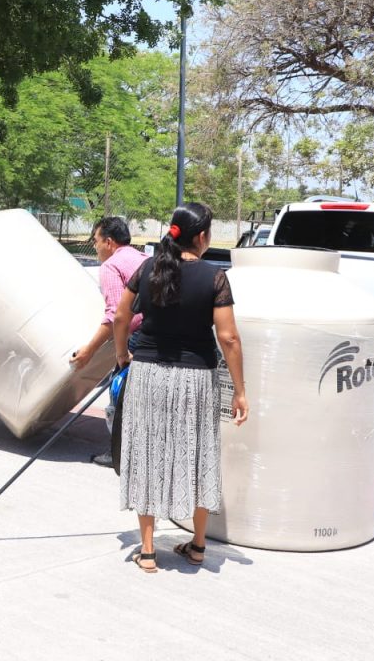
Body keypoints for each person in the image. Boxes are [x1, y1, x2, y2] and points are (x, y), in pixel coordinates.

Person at [113, 202, 249, 573]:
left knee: (146, 453)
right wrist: (240, 390)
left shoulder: (147, 268)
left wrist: (122, 355)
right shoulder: (214, 277)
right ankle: (199, 545)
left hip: (147, 375)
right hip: (197, 378)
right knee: (199, 452)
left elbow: (121, 316)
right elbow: (229, 338)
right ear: (202, 236)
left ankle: (147, 551)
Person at [72, 216, 148, 467]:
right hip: (156, 335)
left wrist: (90, 351)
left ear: (109, 241)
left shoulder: (111, 266)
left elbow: (116, 315)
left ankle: (119, 453)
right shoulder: (143, 258)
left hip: (137, 337)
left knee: (120, 393)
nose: (95, 247)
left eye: (96, 241)